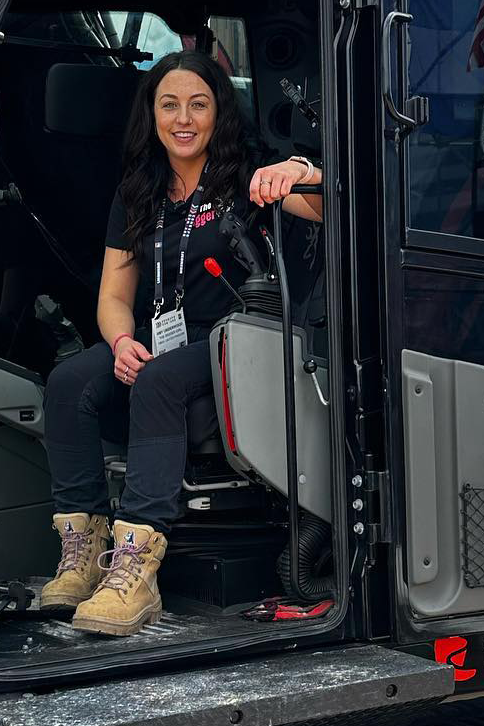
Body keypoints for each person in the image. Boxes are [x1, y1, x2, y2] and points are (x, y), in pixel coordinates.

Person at [39, 50, 323, 636]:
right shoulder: (137, 191)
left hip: (234, 341)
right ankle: (85, 553)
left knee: (160, 379)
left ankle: (135, 575)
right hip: (157, 338)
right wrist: (120, 342)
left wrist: (302, 171)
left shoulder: (244, 179)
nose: (184, 118)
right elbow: (114, 295)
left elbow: (327, 209)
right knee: (68, 381)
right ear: (153, 115)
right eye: (170, 104)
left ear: (219, 112)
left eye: (199, 104)